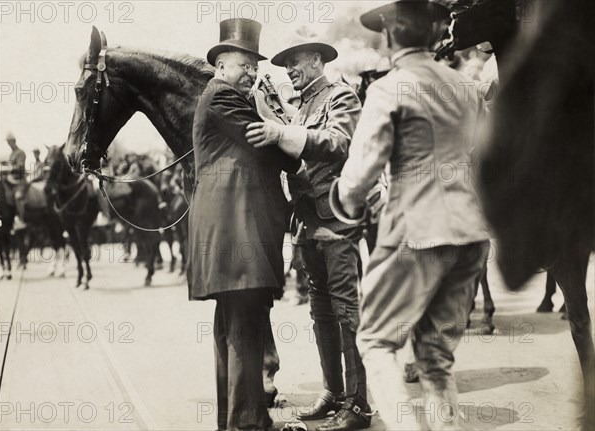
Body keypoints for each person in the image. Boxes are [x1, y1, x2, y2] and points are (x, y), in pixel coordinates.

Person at [333, 1, 491, 430]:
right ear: (434, 34)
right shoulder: (466, 87)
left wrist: (344, 201)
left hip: (417, 229)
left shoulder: (389, 88)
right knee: (436, 359)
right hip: (472, 233)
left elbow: (360, 172)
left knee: (377, 342)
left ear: (389, 35)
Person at [245, 29, 371, 431]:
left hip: (337, 221)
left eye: (294, 62)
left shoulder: (341, 95)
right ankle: (333, 393)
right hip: (308, 222)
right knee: (321, 313)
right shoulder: (298, 107)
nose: (288, 70)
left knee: (347, 310)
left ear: (316, 59)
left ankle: (359, 406)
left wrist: (282, 131)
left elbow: (338, 143)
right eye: (284, 65)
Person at [186, 18, 299, 430]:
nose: (250, 73)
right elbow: (276, 152)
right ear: (220, 67)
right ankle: (247, 425)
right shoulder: (223, 96)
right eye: (243, 65)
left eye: (254, 66)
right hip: (236, 233)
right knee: (243, 330)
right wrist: (289, 141)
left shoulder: (222, 95)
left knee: (236, 332)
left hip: (234, 233)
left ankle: (241, 421)